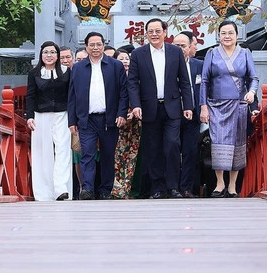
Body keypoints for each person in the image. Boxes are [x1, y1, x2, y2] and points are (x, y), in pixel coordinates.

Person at [127, 18, 193, 199]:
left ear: (165, 32)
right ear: (146, 33)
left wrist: (188, 106)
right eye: (150, 31)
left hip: (172, 107)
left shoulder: (175, 52)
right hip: (149, 107)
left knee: (172, 145)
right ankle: (157, 188)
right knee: (153, 148)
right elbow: (132, 83)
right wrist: (136, 105)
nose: (154, 35)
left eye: (158, 31)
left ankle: (173, 187)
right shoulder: (138, 54)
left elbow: (184, 82)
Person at [200, 20, 259, 198]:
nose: (227, 36)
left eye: (230, 33)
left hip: (239, 105)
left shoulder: (245, 53)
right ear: (218, 35)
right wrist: (203, 106)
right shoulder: (212, 53)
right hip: (216, 104)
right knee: (218, 142)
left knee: (237, 143)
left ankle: (233, 185)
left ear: (236, 35)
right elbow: (204, 81)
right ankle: (219, 183)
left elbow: (253, 78)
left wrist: (251, 92)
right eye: (223, 33)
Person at [68, 32, 128, 200]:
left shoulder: (115, 66)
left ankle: (105, 190)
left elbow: (124, 92)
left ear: (103, 45)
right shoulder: (79, 68)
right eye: (92, 45)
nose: (95, 48)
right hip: (87, 119)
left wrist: (121, 113)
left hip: (109, 118)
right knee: (87, 153)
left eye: (98, 44)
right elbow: (72, 95)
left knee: (108, 155)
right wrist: (72, 120)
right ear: (86, 47)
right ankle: (87, 188)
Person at [25, 41, 72, 201]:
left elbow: (71, 96)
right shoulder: (34, 73)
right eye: (46, 52)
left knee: (63, 151)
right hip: (41, 115)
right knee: (42, 153)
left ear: (58, 55)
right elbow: (30, 96)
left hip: (62, 114)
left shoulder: (66, 72)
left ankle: (61, 188)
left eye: (52, 52)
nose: (49, 55)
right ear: (41, 55)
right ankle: (44, 192)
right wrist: (29, 116)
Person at [173, 31, 203, 198]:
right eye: (176, 46)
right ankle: (173, 187)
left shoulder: (200, 65)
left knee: (190, 151)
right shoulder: (167, 64)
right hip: (172, 115)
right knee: (172, 150)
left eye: (183, 46)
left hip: (194, 114)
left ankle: (187, 188)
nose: (179, 49)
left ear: (191, 46)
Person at [112, 51, 141, 198]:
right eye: (121, 59)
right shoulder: (113, 77)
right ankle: (119, 190)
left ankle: (134, 190)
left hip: (137, 124)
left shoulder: (137, 77)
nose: (125, 61)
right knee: (119, 157)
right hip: (119, 123)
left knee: (135, 157)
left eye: (127, 58)